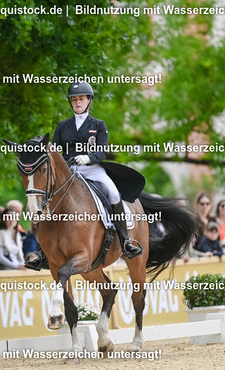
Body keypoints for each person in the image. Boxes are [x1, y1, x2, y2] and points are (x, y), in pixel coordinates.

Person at [26, 81, 143, 269]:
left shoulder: (98, 125)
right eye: (74, 99)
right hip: (68, 172)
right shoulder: (63, 126)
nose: (77, 102)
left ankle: (126, 241)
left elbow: (102, 152)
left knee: (114, 193)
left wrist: (88, 158)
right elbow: (55, 153)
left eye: (81, 99)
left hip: (92, 170)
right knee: (47, 199)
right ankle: (42, 251)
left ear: (89, 101)